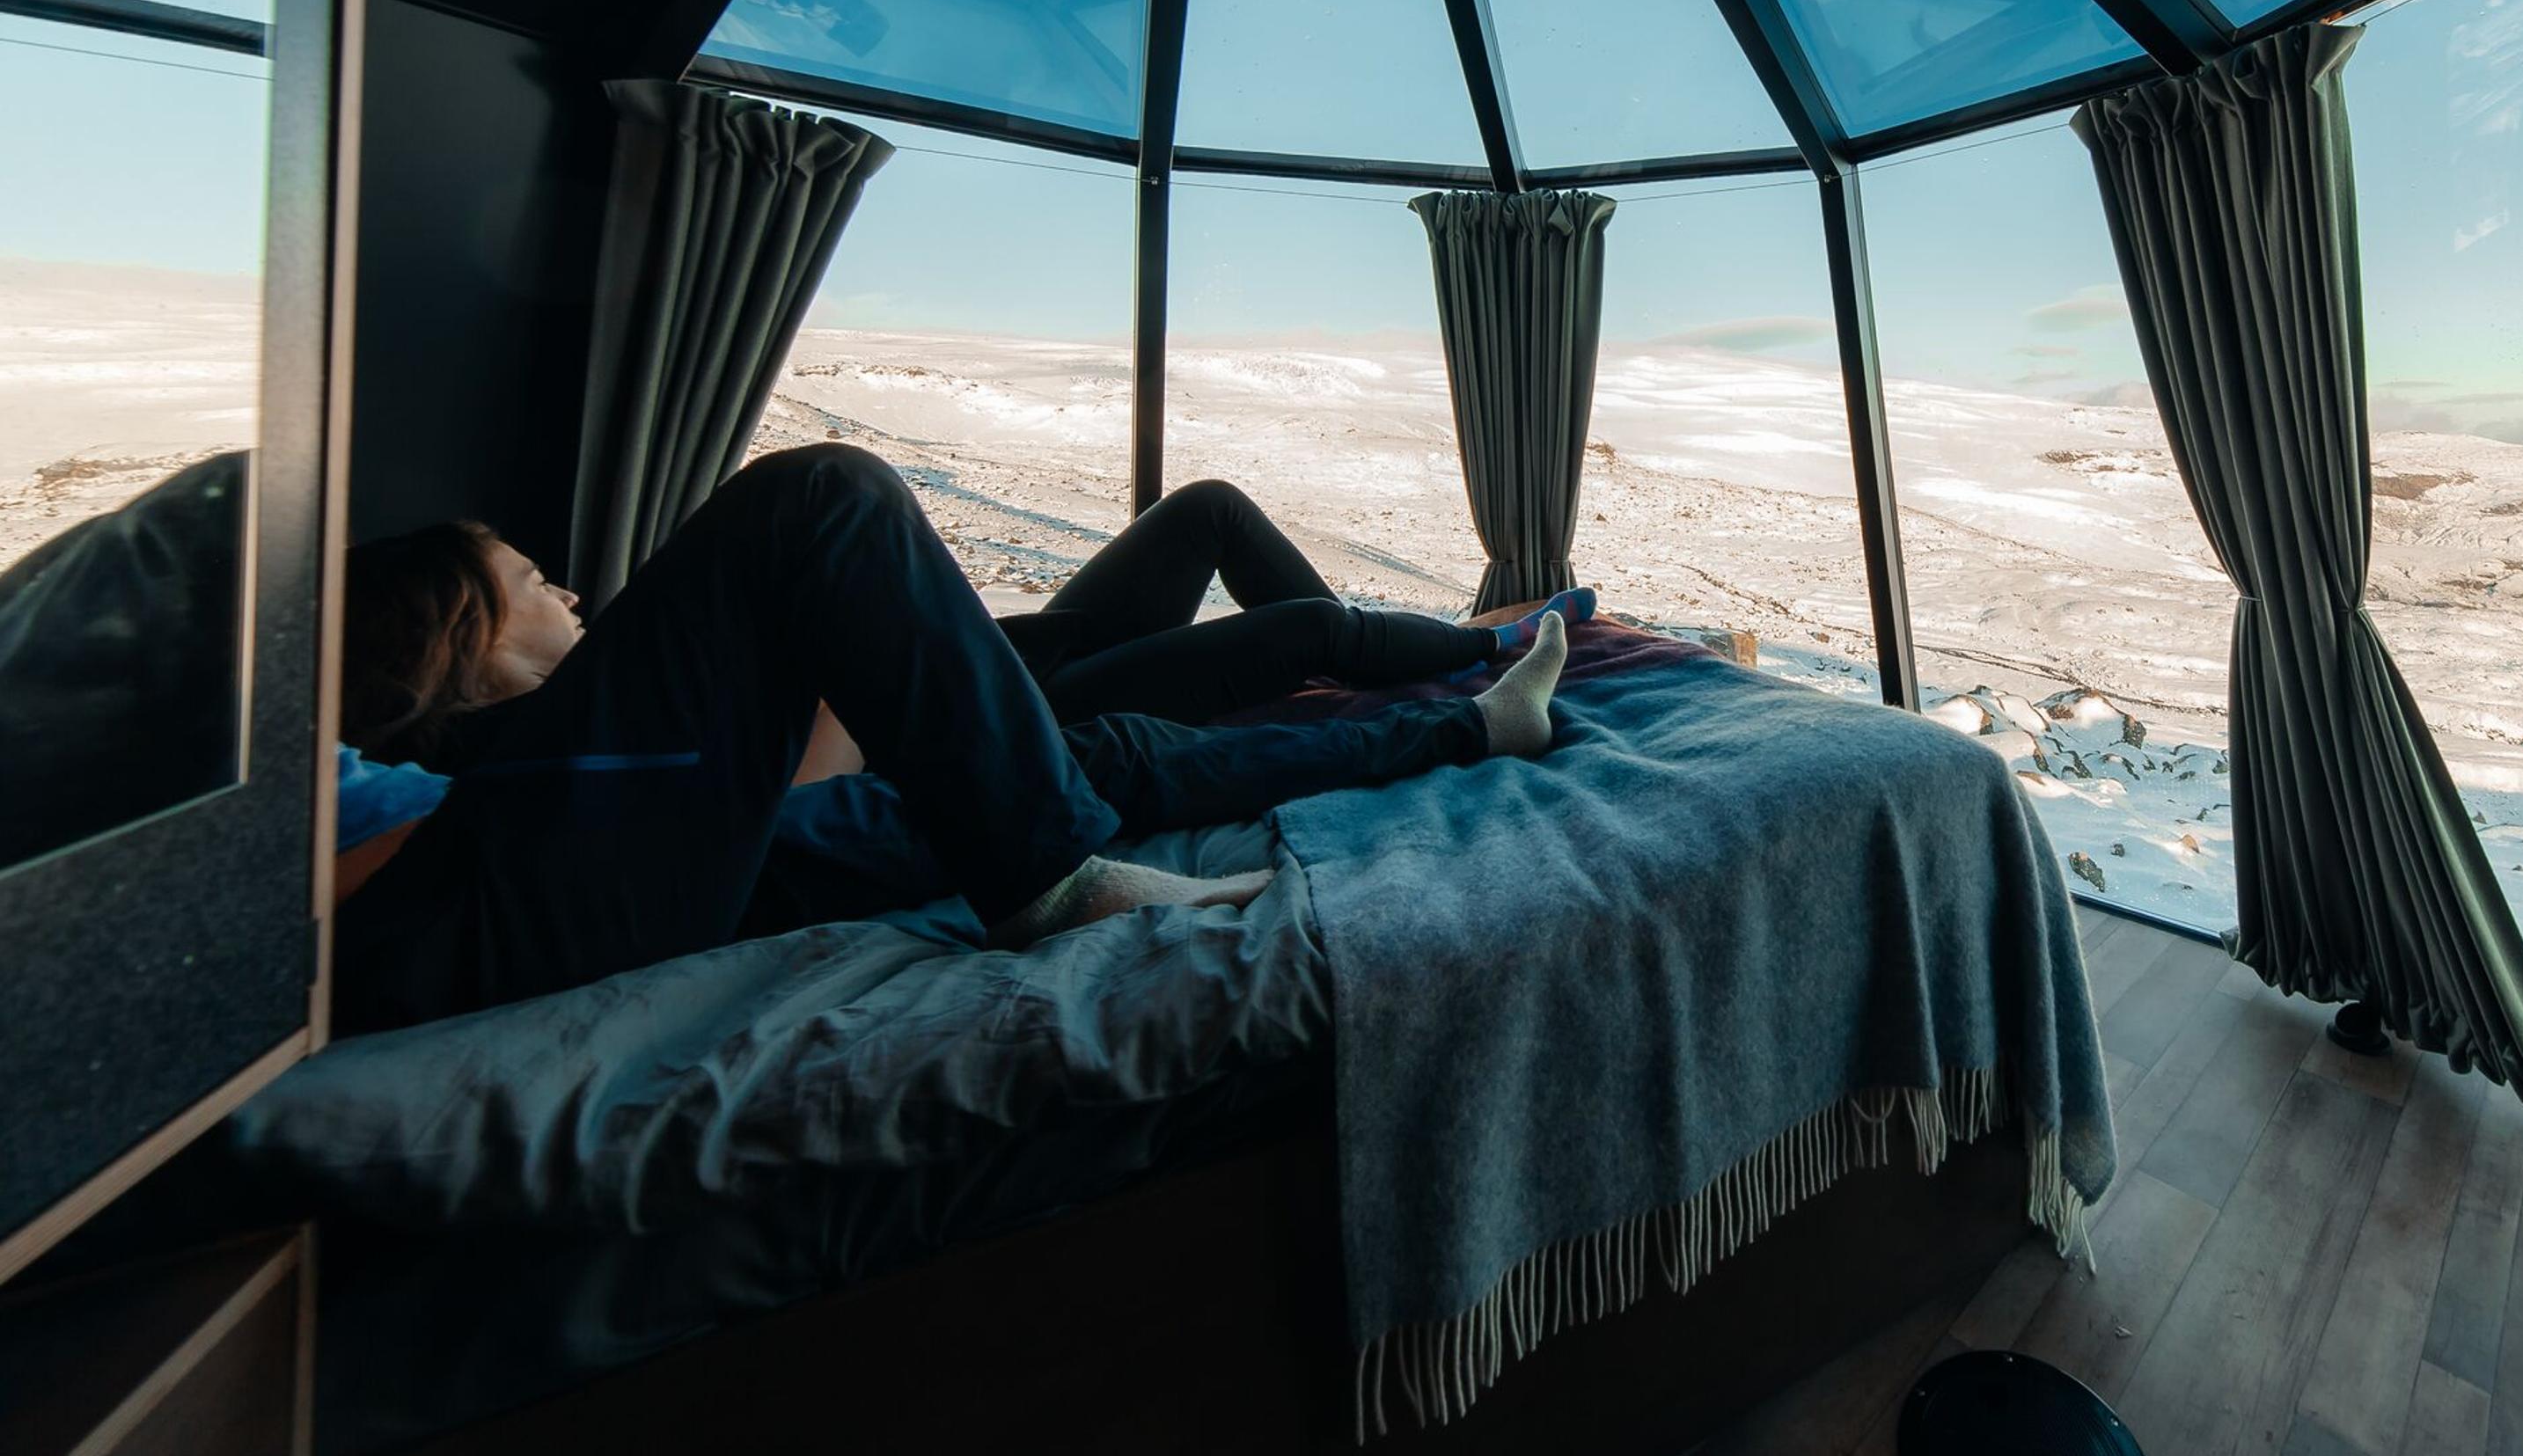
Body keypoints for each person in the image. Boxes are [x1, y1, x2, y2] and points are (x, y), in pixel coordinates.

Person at [331, 444, 1566, 1035]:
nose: (575, 598)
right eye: (535, 584)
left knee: (1206, 514)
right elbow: (813, 781)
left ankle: (1467, 659)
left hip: (977, 689)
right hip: (946, 738)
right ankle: (1482, 668)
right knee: (831, 502)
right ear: (451, 641)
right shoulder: (504, 787)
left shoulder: (574, 755)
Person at [990, 479, 1592, 725]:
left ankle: (1368, 652)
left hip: (1009, 665)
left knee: (1211, 507)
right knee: (1314, 626)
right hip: (1018, 721)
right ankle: (1491, 643)